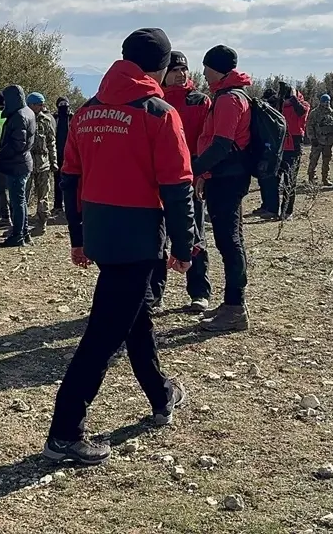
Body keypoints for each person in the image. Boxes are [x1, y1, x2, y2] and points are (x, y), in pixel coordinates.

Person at [45, 27, 194, 466]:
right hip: (138, 238)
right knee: (102, 337)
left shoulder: (87, 111)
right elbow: (178, 186)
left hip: (101, 233)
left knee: (137, 318)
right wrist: (185, 246)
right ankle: (64, 433)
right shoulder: (159, 113)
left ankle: (162, 395)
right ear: (162, 67)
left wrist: (77, 237)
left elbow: (69, 179)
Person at [193, 44, 254, 332]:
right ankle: (231, 303)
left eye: (206, 69)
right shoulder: (229, 95)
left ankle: (235, 307)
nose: (204, 75)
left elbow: (221, 143)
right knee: (230, 240)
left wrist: (195, 169)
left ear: (217, 69)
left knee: (229, 241)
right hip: (226, 175)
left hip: (227, 178)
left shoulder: (229, 100)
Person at [159, 50, 213, 312]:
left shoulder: (200, 101)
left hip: (189, 177)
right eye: (175, 70)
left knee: (194, 234)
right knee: (157, 237)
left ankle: (199, 292)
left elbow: (207, 139)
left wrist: (203, 174)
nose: (181, 74)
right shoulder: (154, 101)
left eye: (184, 70)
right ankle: (153, 294)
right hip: (157, 179)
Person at [0, 85, 36, 247]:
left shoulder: (19, 116)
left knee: (17, 201)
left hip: (16, 164)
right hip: (23, 162)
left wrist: (1, 154)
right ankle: (24, 232)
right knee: (21, 200)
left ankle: (18, 235)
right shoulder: (28, 112)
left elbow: (18, 144)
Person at [277, 81, 310, 220]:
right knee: (276, 178)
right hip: (281, 144)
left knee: (290, 180)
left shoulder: (303, 105)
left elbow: (301, 112)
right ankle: (272, 208)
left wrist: (293, 97)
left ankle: (287, 211)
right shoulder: (283, 104)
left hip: (294, 144)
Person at [27, 92, 58, 236]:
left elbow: (51, 142)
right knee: (23, 196)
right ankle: (21, 226)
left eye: (42, 104)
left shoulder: (46, 121)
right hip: (26, 164)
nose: (42, 107)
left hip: (43, 163)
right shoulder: (24, 118)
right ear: (31, 105)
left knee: (43, 196)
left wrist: (54, 162)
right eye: (39, 104)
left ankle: (42, 224)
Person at [249, 88, 282, 220]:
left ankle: (272, 210)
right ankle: (266, 206)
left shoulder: (274, 116)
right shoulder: (268, 114)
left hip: (272, 153)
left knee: (271, 181)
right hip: (265, 151)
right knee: (264, 180)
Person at [306, 93, 333, 185]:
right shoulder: (315, 113)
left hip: (329, 142)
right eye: (324, 102)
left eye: (328, 102)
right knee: (314, 160)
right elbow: (310, 126)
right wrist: (312, 138)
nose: (326, 103)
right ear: (321, 102)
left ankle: (325, 179)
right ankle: (311, 178)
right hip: (317, 141)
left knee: (327, 161)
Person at [53, 96, 71, 214]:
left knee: (71, 180)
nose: (63, 106)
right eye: (61, 104)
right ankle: (58, 205)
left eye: (65, 104)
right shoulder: (54, 118)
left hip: (71, 154)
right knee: (57, 180)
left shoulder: (73, 117)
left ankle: (70, 205)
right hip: (56, 153)